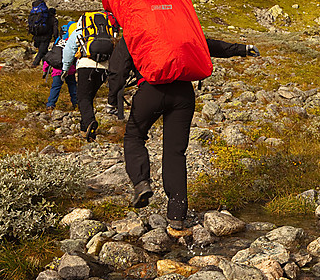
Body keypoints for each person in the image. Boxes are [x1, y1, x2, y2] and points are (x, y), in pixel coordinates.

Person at [108, 36, 260, 237]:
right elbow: (208, 44)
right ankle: (177, 216)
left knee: (134, 137)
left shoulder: (136, 29)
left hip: (151, 89)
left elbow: (118, 69)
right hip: (183, 92)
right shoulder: (179, 27)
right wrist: (242, 49)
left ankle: (141, 182)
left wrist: (112, 99)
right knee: (175, 152)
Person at [61, 11, 119, 141]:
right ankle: (85, 129)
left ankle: (90, 122)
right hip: (105, 68)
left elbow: (69, 50)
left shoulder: (81, 29)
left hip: (86, 66)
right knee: (88, 97)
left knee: (83, 98)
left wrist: (65, 69)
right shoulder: (109, 30)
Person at [42, 22, 77, 111]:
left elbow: (52, 54)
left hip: (57, 69)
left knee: (55, 87)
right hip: (70, 69)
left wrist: (45, 69)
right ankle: (76, 104)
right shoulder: (74, 39)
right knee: (72, 86)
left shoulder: (59, 40)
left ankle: (50, 104)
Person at [29, 2, 58, 67]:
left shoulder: (42, 18)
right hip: (45, 37)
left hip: (36, 36)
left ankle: (45, 66)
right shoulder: (53, 19)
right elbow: (55, 30)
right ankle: (35, 63)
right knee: (41, 51)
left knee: (43, 51)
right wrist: (56, 38)